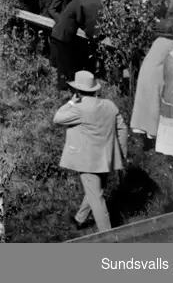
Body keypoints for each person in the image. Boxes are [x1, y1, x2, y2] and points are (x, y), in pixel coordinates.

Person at [53, 70, 127, 233]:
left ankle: (108, 236)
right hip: (107, 157)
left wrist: (71, 103)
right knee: (95, 190)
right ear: (95, 89)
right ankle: (80, 219)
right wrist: (122, 154)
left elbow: (57, 118)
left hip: (88, 161)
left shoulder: (78, 108)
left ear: (77, 91)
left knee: (96, 197)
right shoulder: (110, 105)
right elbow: (122, 128)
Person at [131, 19, 173, 148]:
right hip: (156, 76)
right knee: (155, 104)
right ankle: (155, 136)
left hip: (146, 74)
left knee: (145, 102)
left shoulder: (158, 41)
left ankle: (145, 134)